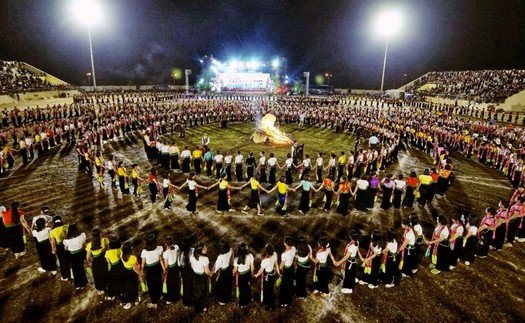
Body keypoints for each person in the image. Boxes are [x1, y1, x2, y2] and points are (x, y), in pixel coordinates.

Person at [141, 234, 165, 309]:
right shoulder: (159, 248)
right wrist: (164, 269)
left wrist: (141, 271)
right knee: (158, 281)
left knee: (151, 286)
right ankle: (160, 294)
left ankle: (154, 302)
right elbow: (161, 259)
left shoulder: (144, 251)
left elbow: (143, 263)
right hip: (157, 267)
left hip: (149, 269)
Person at [254, 243, 279, 311]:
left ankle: (271, 305)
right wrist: (278, 272)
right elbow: (276, 264)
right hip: (272, 274)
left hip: (267, 276)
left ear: (266, 251)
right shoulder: (275, 254)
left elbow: (260, 270)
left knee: (269, 291)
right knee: (270, 289)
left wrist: (256, 275)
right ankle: (268, 302)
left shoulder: (265, 261)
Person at [334, 229, 360, 294]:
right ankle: (353, 278)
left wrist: (338, 262)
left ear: (350, 236)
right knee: (352, 271)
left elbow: (346, 257)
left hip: (349, 261)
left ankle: (348, 288)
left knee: (347, 274)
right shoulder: (357, 242)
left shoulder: (351, 246)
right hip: (353, 261)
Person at [63, 224, 88, 290]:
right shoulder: (82, 235)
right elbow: (84, 244)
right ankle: (84, 282)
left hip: (73, 255)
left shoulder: (66, 241)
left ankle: (78, 284)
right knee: (81, 268)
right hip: (81, 253)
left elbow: (65, 249)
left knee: (75, 269)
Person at [86, 227, 109, 295]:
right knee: (104, 273)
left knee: (97, 275)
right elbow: (107, 249)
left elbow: (88, 257)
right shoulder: (105, 240)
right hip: (103, 258)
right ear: (100, 234)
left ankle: (99, 288)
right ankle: (105, 287)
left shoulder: (90, 245)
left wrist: (89, 261)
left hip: (96, 261)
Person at [190, 242, 212, 313]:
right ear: (201, 251)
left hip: (194, 275)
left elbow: (191, 266)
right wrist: (212, 272)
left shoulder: (192, 257)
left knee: (196, 291)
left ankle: (196, 305)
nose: (206, 248)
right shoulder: (205, 259)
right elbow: (207, 271)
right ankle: (203, 306)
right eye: (204, 248)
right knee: (203, 292)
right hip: (202, 277)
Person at [121, 241, 141, 310]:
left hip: (126, 271)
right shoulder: (132, 258)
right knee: (134, 286)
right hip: (131, 273)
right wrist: (141, 273)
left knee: (128, 286)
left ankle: (128, 299)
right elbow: (135, 269)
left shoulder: (121, 255)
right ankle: (135, 299)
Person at [233, 242, 254, 308]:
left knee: (242, 290)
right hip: (248, 274)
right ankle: (250, 298)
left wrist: (232, 273)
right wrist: (252, 273)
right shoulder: (250, 256)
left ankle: (243, 304)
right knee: (248, 286)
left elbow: (235, 270)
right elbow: (252, 267)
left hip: (241, 276)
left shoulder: (236, 260)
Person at [213, 239, 233, 305]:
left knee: (223, 285)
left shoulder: (220, 257)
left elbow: (216, 267)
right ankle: (228, 297)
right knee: (228, 284)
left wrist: (213, 272)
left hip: (223, 271)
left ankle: (223, 300)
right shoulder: (231, 250)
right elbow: (232, 259)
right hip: (229, 269)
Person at [50, 215, 70, 281]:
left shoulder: (52, 231)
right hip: (68, 244)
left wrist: (53, 249)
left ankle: (65, 276)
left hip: (60, 247)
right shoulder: (67, 226)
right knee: (69, 259)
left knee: (62, 261)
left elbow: (53, 242)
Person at [279, 236, 296, 307]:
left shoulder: (284, 254)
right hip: (291, 267)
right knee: (289, 283)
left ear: (285, 244)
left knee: (284, 286)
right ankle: (289, 295)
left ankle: (284, 301)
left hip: (286, 270)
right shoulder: (294, 248)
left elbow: (281, 266)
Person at [162, 236, 180, 304]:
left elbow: (166, 265)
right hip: (175, 267)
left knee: (170, 284)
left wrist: (165, 272)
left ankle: (171, 298)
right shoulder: (177, 247)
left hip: (170, 269)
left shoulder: (166, 253)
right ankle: (177, 296)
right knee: (176, 282)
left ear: (166, 244)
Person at [105, 235, 123, 301]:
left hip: (113, 266)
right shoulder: (119, 250)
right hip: (120, 265)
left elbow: (108, 261)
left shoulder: (107, 252)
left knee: (113, 281)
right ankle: (121, 292)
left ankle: (112, 294)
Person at [179, 238, 194, 308]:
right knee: (191, 285)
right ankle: (191, 299)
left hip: (183, 271)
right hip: (191, 270)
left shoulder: (180, 255)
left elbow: (179, 264)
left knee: (185, 286)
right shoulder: (192, 250)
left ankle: (186, 302)